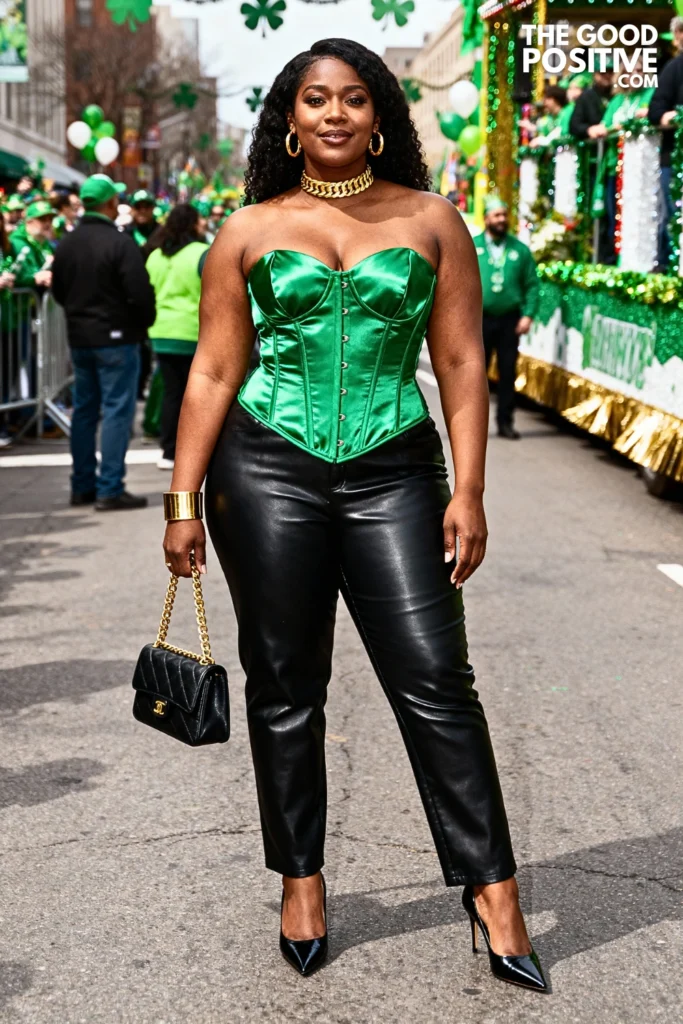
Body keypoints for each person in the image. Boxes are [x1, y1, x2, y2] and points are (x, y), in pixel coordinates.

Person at [162, 38, 547, 991]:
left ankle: (493, 890)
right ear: (289, 121)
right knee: (284, 686)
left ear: (379, 117)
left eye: (353, 98)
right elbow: (214, 370)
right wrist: (181, 503)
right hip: (264, 469)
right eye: (314, 99)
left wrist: (469, 489)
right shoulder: (247, 230)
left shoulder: (432, 219)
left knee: (436, 679)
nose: (333, 113)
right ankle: (300, 881)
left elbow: (460, 360)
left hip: (395, 470)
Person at [51, 173, 155, 511]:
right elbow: (140, 292)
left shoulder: (68, 242)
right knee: (115, 411)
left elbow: (59, 291)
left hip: (81, 337)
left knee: (85, 410)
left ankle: (83, 485)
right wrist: (142, 322)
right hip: (115, 337)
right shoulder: (119, 242)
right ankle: (109, 487)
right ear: (110, 203)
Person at [145, 204, 209, 470]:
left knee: (172, 393)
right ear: (192, 224)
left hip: (161, 332)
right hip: (192, 333)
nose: (204, 223)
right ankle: (193, 452)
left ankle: (169, 450)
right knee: (195, 396)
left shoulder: (155, 256)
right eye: (200, 219)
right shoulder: (202, 253)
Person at [474, 197, 539, 440]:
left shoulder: (519, 250)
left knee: (507, 372)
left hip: (509, 320)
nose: (501, 219)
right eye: (496, 215)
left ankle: (505, 422)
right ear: (486, 219)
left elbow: (532, 285)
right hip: (479, 319)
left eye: (504, 215)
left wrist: (528, 315)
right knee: (475, 374)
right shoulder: (472, 245)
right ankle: (473, 427)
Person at [648, 38, 683, 269]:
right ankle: (672, 269)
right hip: (676, 158)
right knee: (674, 216)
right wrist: (671, 117)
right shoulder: (675, 68)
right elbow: (656, 110)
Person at [8, 199, 54, 289]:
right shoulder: (17, 243)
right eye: (42, 219)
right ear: (29, 221)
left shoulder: (46, 244)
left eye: (50, 219)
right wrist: (34, 278)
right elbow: (18, 275)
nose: (48, 223)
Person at [569, 68, 614, 140]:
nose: (607, 75)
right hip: (598, 142)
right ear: (594, 74)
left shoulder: (620, 94)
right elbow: (574, 126)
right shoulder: (587, 96)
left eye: (611, 72)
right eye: (602, 73)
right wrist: (589, 129)